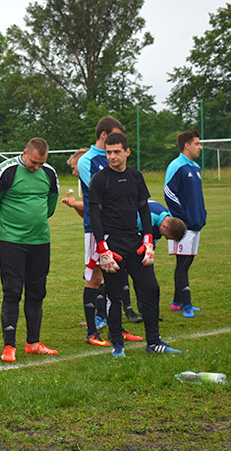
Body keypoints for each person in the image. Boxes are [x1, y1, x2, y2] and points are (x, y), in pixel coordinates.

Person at [88, 132, 182, 357]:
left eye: (117, 152)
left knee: (150, 288)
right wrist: (102, 248)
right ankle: (118, 344)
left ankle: (154, 342)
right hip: (112, 244)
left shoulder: (136, 176)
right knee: (114, 295)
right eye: (108, 152)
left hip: (135, 242)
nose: (112, 156)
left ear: (127, 152)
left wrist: (148, 241)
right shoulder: (100, 180)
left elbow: (144, 209)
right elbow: (95, 216)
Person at [0, 138, 59, 363]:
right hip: (12, 242)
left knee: (37, 291)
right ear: (25, 153)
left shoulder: (49, 173)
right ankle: (9, 346)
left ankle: (33, 342)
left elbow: (51, 204)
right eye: (34, 162)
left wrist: (35, 221)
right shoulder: (5, 171)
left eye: (41, 163)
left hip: (40, 241)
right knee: (12, 290)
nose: (37, 167)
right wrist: (10, 225)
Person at [63, 143, 144, 347]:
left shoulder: (100, 173)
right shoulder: (96, 175)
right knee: (95, 277)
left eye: (74, 167)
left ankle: (114, 326)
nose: (74, 172)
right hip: (96, 231)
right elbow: (91, 210)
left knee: (113, 275)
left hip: (109, 230)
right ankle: (93, 331)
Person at [165, 130, 206, 318]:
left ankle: (177, 302)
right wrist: (182, 217)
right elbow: (169, 192)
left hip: (196, 223)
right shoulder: (176, 165)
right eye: (197, 143)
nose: (200, 147)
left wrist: (201, 214)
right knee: (182, 264)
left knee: (187, 262)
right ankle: (186, 304)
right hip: (183, 226)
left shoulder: (195, 167)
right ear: (187, 145)